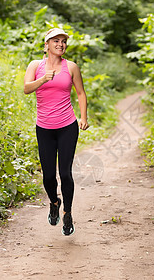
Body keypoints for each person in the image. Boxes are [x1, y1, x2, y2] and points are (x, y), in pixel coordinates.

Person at [24, 28, 89, 236]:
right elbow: (26, 88)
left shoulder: (71, 67)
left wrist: (84, 117)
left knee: (65, 173)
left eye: (63, 41)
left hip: (67, 126)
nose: (60, 44)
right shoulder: (36, 66)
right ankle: (54, 202)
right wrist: (43, 78)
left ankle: (67, 213)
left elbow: (80, 93)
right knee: (49, 176)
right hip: (44, 128)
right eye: (56, 41)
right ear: (47, 44)